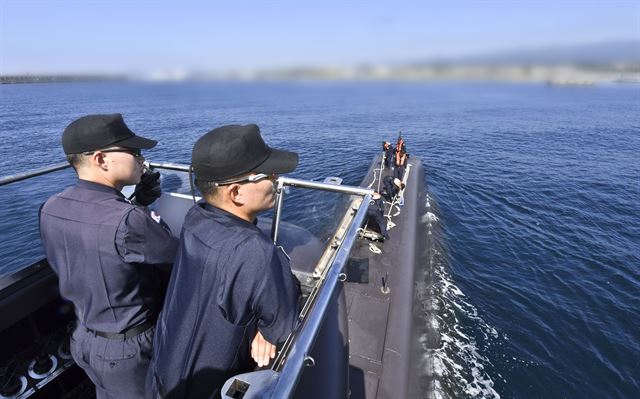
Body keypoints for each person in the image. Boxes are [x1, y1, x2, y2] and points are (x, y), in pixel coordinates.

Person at [147, 124, 301, 399]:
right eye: (268, 174)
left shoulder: (196, 217)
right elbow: (282, 325)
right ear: (235, 193)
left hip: (162, 376)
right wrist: (264, 328)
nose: (277, 179)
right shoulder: (254, 250)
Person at [39, 114, 178, 399]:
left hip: (85, 338)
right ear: (101, 159)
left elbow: (98, 241)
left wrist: (137, 201)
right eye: (134, 152)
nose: (141, 159)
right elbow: (179, 259)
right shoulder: (130, 221)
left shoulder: (50, 207)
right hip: (129, 352)